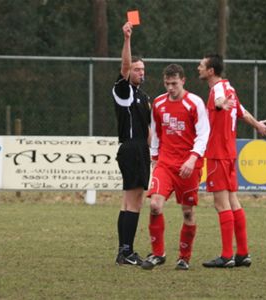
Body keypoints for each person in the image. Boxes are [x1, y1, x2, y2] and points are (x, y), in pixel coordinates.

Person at [198, 54, 266, 268]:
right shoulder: (230, 88)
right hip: (229, 153)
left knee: (221, 204)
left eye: (201, 65)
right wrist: (257, 125)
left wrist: (220, 105)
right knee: (233, 201)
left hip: (218, 153)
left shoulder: (218, 90)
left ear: (211, 71)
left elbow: (221, 103)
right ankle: (243, 253)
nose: (198, 68)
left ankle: (227, 255)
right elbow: (242, 111)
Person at [141, 64, 210, 271]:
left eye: (174, 83)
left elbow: (203, 134)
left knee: (188, 212)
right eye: (167, 83)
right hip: (165, 163)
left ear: (183, 81)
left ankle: (184, 257)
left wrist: (192, 158)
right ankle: (157, 253)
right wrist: (154, 157)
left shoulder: (194, 103)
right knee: (154, 205)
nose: (170, 87)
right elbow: (155, 132)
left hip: (189, 165)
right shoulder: (159, 103)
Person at [112, 22, 151, 266]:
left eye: (143, 70)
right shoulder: (123, 91)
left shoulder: (144, 96)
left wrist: (153, 152)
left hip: (141, 149)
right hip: (130, 148)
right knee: (134, 201)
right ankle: (127, 252)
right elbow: (124, 66)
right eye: (137, 70)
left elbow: (147, 129)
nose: (140, 73)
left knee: (130, 201)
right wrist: (127, 39)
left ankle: (123, 251)